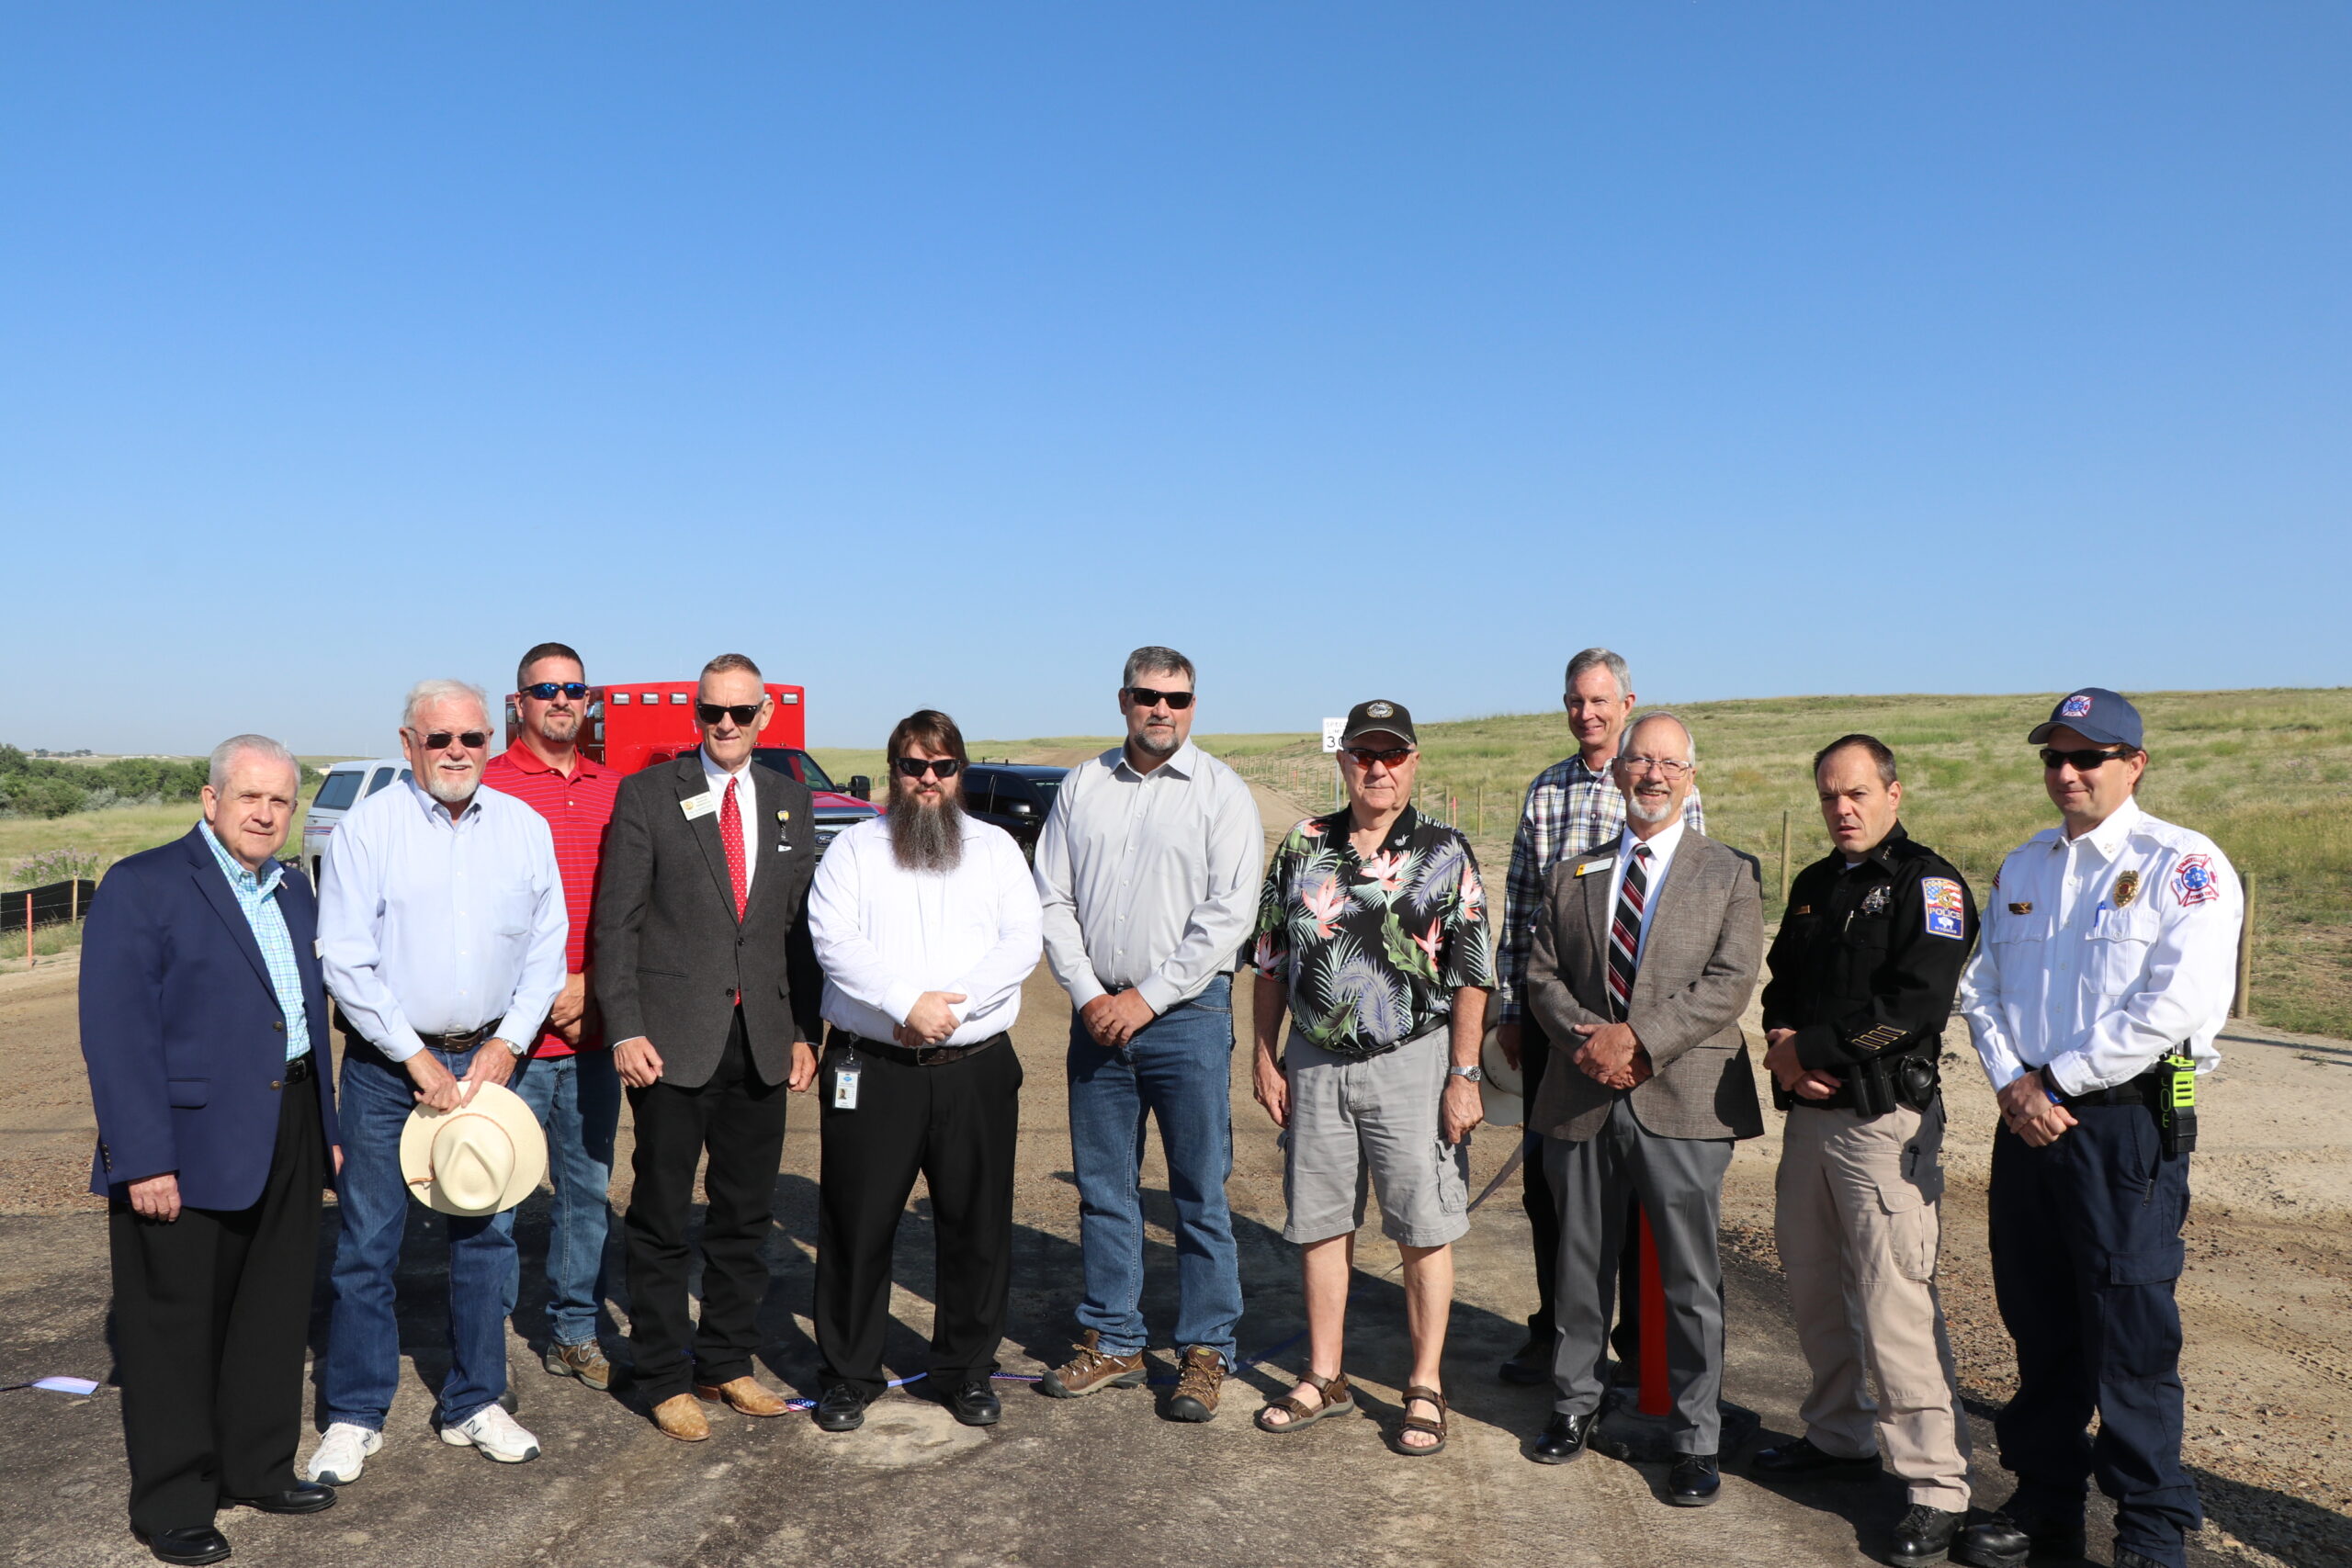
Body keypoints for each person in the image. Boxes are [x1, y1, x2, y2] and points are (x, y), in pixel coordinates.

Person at [1956, 690, 2242, 1568]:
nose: (2067, 772)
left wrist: (2054, 1081)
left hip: (2123, 1130)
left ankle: (2152, 1531)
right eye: (2054, 756)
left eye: (2089, 756)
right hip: (2028, 1124)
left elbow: (2182, 1004)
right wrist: (2013, 1082)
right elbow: (1982, 989)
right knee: (2039, 1322)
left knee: (2130, 1335)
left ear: (2135, 764)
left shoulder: (2181, 863)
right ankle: (2046, 1502)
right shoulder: (2025, 866)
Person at [81, 736, 343, 1566]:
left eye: (280, 801)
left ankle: (257, 1465)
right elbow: (117, 1034)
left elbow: (300, 1020)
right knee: (174, 1328)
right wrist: (144, 1157)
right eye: (249, 798)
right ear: (210, 798)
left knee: (271, 1311)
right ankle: (174, 1501)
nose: (266, 813)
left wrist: (326, 1134)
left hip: (290, 1119)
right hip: (185, 1141)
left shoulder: (294, 892)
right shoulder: (145, 884)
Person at [313, 681, 568, 1482]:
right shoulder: (368, 830)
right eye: (439, 739)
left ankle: (474, 1400)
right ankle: (355, 1412)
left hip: (491, 1062)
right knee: (368, 1242)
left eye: (471, 737)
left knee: (486, 1240)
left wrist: (510, 1043)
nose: (457, 751)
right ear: (407, 742)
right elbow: (343, 958)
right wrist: (413, 1056)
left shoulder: (524, 829)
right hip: (393, 1071)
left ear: (491, 739)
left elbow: (545, 951)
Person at [1754, 734, 1989, 1568]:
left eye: (1856, 793)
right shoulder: (1817, 884)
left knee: (1895, 1303)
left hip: (1883, 1123)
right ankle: (1840, 1434)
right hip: (1811, 1119)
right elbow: (1780, 979)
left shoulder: (1930, 886)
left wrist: (1812, 1047)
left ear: (1894, 792)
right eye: (1828, 796)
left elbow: (1917, 1002)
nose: (1841, 809)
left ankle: (1935, 1486)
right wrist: (1785, 1040)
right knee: (1815, 1286)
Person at [1521, 712, 1761, 1504]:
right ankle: (1573, 1403)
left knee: (1689, 1280)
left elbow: (1729, 983)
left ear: (1691, 776)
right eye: (1639, 761)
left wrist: (1640, 1040)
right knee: (1578, 1265)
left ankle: (1697, 1438)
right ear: (1618, 771)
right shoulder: (1572, 874)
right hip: (1581, 1093)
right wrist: (1591, 1040)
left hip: (1684, 1100)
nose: (1653, 775)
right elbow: (1541, 975)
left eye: (1669, 763)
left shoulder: (1729, 872)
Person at [1249, 699, 1491, 1457]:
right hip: (1317, 1065)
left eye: (1391, 754)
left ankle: (1425, 1384)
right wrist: (1264, 1052)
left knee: (1423, 1225)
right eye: (1363, 754)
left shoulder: (1445, 850)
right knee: (1321, 1222)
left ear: (1413, 761)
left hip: (1413, 1064)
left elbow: (1473, 973)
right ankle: (1325, 1374)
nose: (1376, 768)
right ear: (1344, 760)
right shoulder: (1303, 844)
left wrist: (1464, 1072)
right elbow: (1268, 960)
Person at [594, 653, 822, 1441]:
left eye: (738, 712)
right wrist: (624, 1025)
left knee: (743, 1217)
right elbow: (614, 923)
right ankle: (662, 1376)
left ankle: (725, 1361)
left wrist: (802, 1032)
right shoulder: (649, 794)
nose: (724, 725)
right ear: (696, 715)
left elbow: (797, 934)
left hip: (758, 1041)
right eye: (710, 711)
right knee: (660, 1215)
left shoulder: (791, 801)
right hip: (669, 1043)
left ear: (764, 717)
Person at [1034, 646, 1263, 1421]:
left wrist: (1147, 998)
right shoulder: (1083, 786)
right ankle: (1115, 1338)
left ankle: (1206, 1350)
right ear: (1123, 698)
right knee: (1104, 1190)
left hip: (1189, 1018)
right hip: (1097, 1016)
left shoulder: (1222, 794)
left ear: (1194, 703)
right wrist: (1091, 992)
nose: (1162, 708)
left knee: (1198, 1190)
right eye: (1147, 694)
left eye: (1178, 697)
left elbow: (1229, 915)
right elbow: (1052, 900)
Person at [806, 709, 1044, 1433]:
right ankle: (849, 1373)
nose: (928, 780)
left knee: (976, 1224)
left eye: (942, 766)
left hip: (972, 1063)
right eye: (914, 766)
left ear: (959, 772)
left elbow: (1021, 941)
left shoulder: (996, 849)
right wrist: (905, 1002)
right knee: (857, 1221)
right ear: (894, 772)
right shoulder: (853, 849)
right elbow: (832, 937)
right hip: (873, 1066)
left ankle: (965, 1369)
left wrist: (949, 1011)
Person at [1494, 648, 1706, 1387]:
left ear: (1627, 701)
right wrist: (1513, 1009)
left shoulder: (1664, 781)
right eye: (1575, 702)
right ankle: (1556, 1332)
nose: (1588, 713)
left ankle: (1639, 1346)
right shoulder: (1546, 791)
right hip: (1559, 1024)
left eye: (1600, 701)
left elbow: (1687, 912)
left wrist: (1641, 1036)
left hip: (1643, 1038)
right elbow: (1521, 911)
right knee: (1551, 1189)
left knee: (1636, 1191)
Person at [482, 642, 624, 1390]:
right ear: (519, 702)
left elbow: (635, 904)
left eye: (574, 688)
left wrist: (593, 982)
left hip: (596, 1029)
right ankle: (483, 1342)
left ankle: (574, 1329)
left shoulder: (617, 788)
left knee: (586, 1189)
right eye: (545, 690)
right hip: (513, 1037)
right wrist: (546, 994)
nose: (561, 700)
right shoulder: (490, 785)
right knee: (496, 1192)